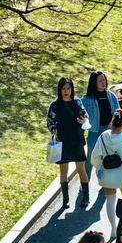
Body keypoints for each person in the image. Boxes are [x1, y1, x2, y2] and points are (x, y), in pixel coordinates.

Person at [46, 77, 89, 209]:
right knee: (63, 171)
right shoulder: (55, 105)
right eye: (63, 89)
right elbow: (49, 122)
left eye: (68, 88)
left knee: (81, 169)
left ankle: (86, 197)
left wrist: (83, 120)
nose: (66, 91)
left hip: (76, 140)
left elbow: (85, 116)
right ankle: (66, 200)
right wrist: (55, 131)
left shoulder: (77, 102)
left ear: (72, 89)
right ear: (59, 90)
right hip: (62, 142)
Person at [92, 111, 122, 240]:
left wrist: (99, 168)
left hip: (107, 174)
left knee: (110, 200)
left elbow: (95, 156)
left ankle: (113, 228)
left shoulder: (103, 136)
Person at [78, 71, 119, 181]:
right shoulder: (87, 99)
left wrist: (115, 124)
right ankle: (85, 182)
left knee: (108, 156)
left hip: (109, 131)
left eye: (104, 79)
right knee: (91, 158)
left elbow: (118, 112)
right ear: (94, 83)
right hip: (94, 132)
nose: (103, 82)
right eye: (100, 80)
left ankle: (106, 181)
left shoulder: (111, 96)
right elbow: (79, 109)